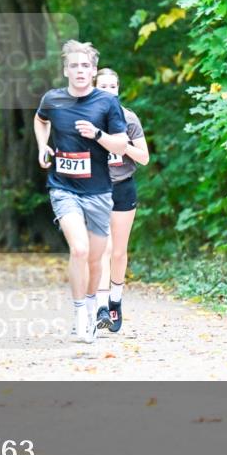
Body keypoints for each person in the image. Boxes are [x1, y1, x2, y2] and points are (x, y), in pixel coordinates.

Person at [34, 41, 129, 343]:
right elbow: (40, 120)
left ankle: (91, 306)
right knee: (79, 249)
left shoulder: (106, 103)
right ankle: (79, 315)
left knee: (95, 259)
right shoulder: (53, 99)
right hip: (63, 187)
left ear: (93, 70)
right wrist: (42, 146)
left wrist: (98, 134)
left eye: (85, 66)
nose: (79, 70)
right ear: (65, 69)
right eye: (74, 65)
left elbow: (120, 145)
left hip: (100, 191)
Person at [94, 68, 149, 332]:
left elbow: (145, 157)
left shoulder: (129, 118)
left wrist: (123, 145)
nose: (107, 91)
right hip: (96, 189)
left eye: (111, 86)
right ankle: (102, 307)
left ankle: (115, 300)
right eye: (102, 86)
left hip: (123, 187)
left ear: (118, 89)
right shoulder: (87, 118)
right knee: (103, 249)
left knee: (118, 251)